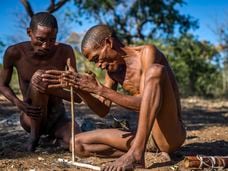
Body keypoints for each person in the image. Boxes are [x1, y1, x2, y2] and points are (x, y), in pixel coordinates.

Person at [42, 24, 186, 170]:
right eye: (94, 62)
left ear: (109, 43)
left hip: (169, 134)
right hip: (144, 138)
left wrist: (99, 89)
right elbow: (103, 110)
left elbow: (143, 103)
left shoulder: (147, 53)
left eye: (97, 58)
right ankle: (143, 153)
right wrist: (80, 88)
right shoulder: (113, 72)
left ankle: (136, 154)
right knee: (77, 144)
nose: (99, 65)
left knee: (156, 71)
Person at [0, 12, 105, 152]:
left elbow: (79, 98)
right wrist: (20, 105)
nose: (46, 45)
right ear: (29, 32)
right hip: (31, 117)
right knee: (40, 76)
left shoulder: (65, 51)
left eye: (52, 39)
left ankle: (54, 140)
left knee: (77, 144)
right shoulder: (14, 53)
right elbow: (2, 85)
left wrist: (53, 89)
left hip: (59, 118)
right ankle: (34, 136)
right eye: (40, 39)